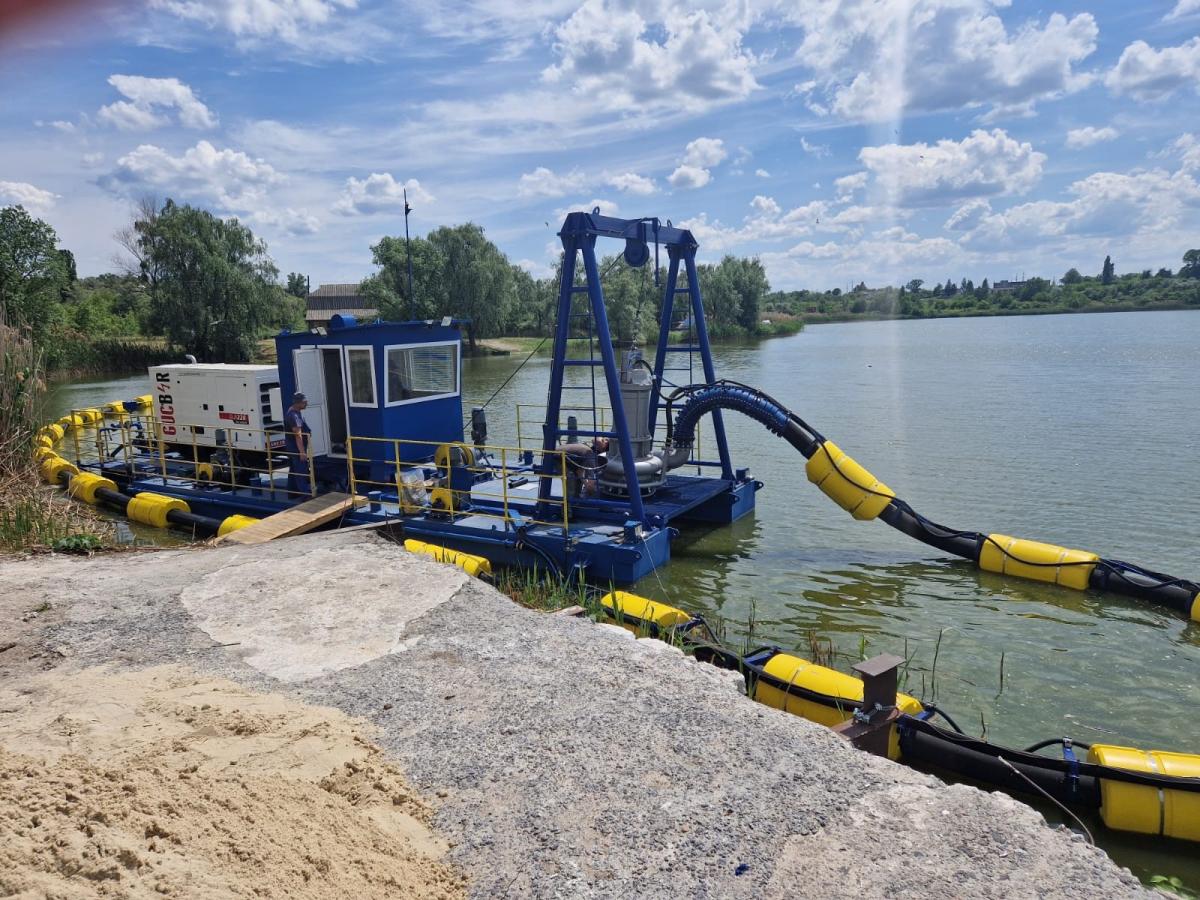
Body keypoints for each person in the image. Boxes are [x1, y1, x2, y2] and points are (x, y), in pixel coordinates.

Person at [284, 392, 313, 497]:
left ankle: (292, 493)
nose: (306, 404)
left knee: (293, 470)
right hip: (296, 448)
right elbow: (298, 435)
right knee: (301, 471)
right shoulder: (294, 415)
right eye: (304, 402)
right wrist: (302, 452)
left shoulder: (294, 411)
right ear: (298, 403)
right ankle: (305, 494)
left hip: (293, 447)